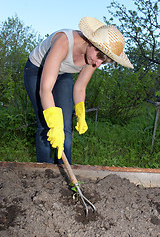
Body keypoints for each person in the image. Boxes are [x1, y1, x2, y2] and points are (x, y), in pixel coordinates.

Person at [24, 17, 133, 165]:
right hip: (36, 70)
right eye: (100, 57)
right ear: (90, 42)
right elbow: (45, 89)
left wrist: (80, 113)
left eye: (104, 61)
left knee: (65, 128)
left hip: (63, 74)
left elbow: (80, 86)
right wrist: (54, 125)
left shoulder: (94, 58)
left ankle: (65, 173)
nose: (98, 63)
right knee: (47, 124)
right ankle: (45, 172)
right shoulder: (64, 42)